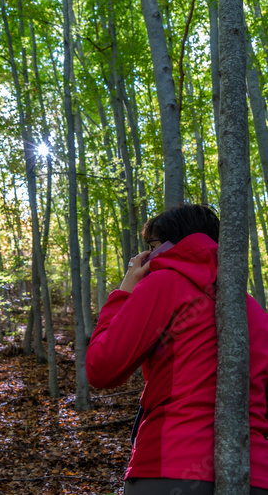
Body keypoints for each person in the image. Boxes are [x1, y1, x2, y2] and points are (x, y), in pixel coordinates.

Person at [85, 204, 268, 495]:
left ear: (171, 246)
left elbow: (101, 367)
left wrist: (125, 291)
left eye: (151, 246)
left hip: (170, 467)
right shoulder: (255, 311)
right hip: (256, 474)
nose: (141, 256)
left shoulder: (164, 283)